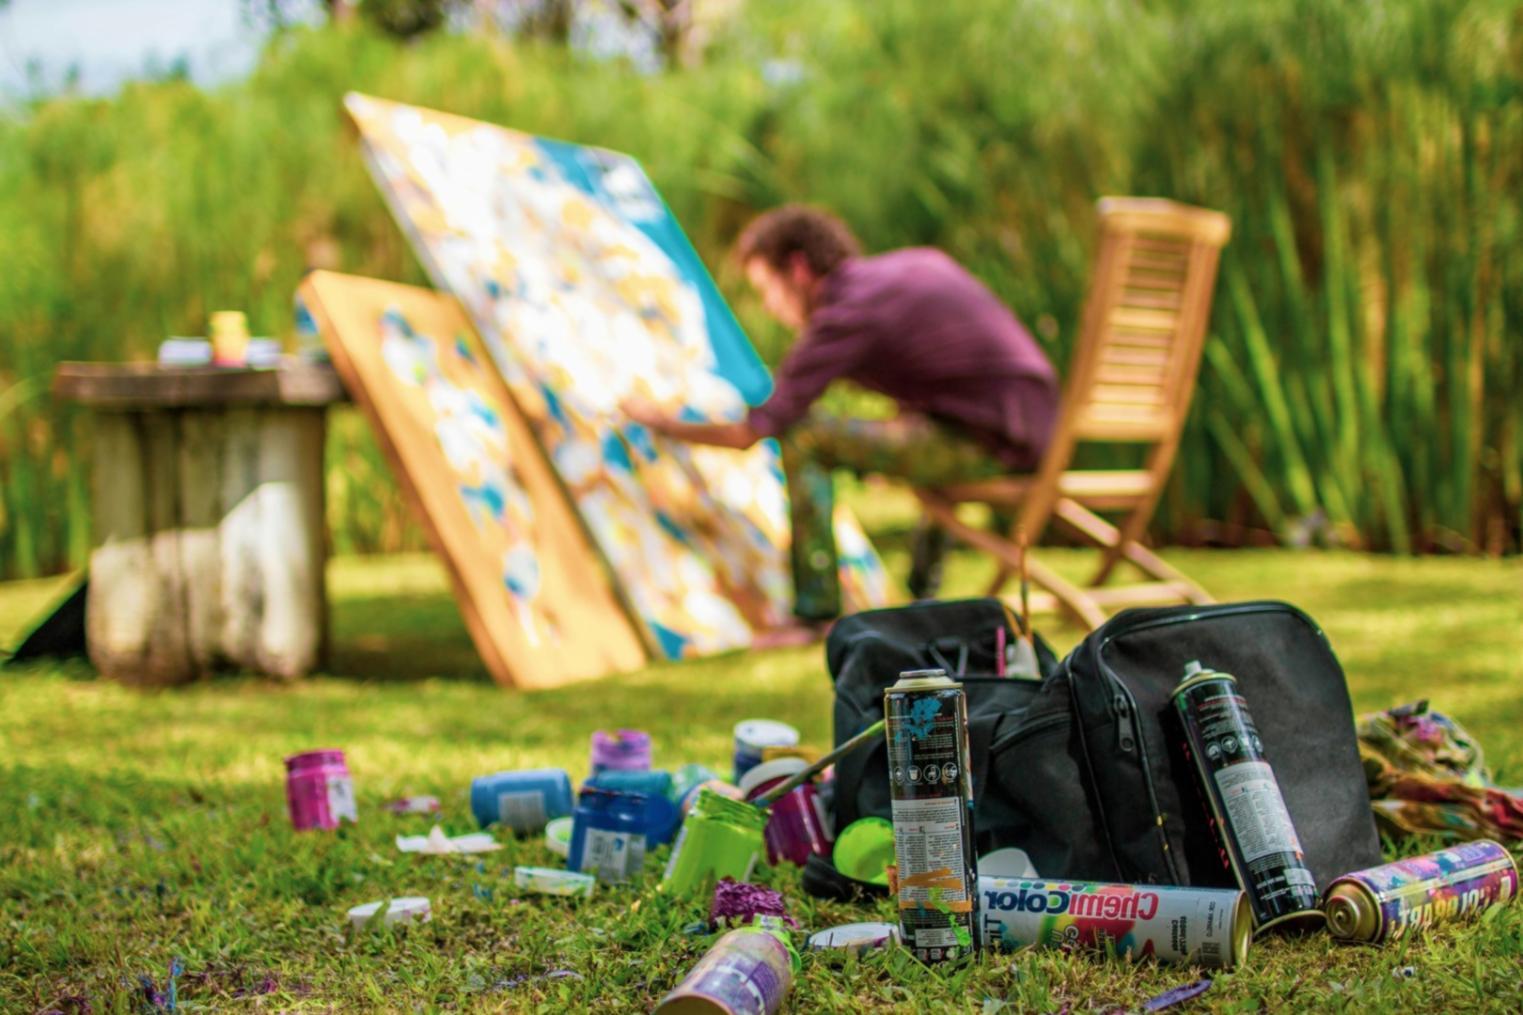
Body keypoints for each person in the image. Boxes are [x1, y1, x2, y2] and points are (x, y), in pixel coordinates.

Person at [623, 204, 1059, 643]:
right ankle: (921, 598)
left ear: (796, 269)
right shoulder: (907, 269)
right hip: (1033, 428)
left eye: (765, 289)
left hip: (993, 442)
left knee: (805, 435)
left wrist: (661, 422)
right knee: (896, 432)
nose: (769, 307)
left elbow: (752, 432)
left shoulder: (846, 313)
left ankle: (816, 616)